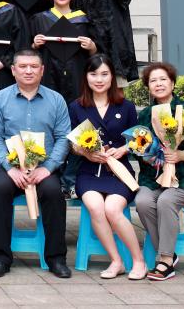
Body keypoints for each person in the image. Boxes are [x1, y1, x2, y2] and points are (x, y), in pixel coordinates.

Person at [0, 49, 72, 279]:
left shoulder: (56, 100)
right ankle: (0, 258)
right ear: (13, 70)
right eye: (22, 66)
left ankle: (56, 258)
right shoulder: (0, 99)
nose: (28, 71)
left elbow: (63, 137)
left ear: (42, 70)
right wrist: (9, 168)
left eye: (34, 66)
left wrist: (48, 167)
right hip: (10, 167)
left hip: (43, 168)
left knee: (53, 192)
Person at [134, 62, 184, 282]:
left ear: (172, 83)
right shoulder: (145, 115)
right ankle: (168, 253)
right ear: (148, 87)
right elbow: (138, 150)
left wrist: (183, 154)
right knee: (142, 201)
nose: (159, 84)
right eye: (153, 81)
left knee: (165, 201)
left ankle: (165, 260)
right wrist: (150, 155)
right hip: (153, 178)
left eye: (163, 79)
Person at [67, 54, 145, 280]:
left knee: (112, 209)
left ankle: (138, 261)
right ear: (86, 77)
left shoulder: (126, 106)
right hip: (88, 172)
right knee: (95, 206)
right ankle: (116, 261)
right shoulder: (76, 107)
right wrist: (87, 153)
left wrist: (124, 150)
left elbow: (139, 139)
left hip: (119, 172)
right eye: (93, 74)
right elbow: (72, 145)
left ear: (112, 77)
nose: (99, 79)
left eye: (104, 74)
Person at [30, 0, 98, 103]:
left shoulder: (84, 19)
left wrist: (92, 46)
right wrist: (34, 45)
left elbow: (96, 53)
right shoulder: (39, 19)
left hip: (77, 75)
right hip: (48, 75)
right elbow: (27, 51)